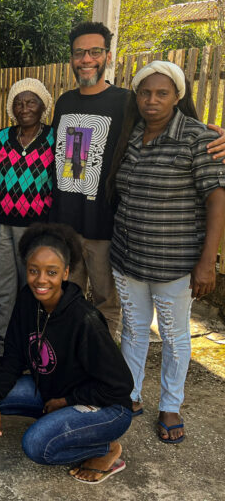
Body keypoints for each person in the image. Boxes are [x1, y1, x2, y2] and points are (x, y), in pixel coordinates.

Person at [49, 22, 225, 338]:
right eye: (79, 53)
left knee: (107, 307)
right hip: (66, 226)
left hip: (106, 227)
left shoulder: (127, 101)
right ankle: (69, 364)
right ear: (72, 58)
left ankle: (104, 372)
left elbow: (174, 122)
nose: (86, 59)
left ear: (107, 55)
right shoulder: (64, 102)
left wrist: (217, 134)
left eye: (94, 51)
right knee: (65, 301)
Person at [108, 61, 225, 444]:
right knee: (135, 330)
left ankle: (171, 404)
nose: (151, 100)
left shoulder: (196, 137)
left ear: (178, 96)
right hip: (129, 257)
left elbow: (216, 199)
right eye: (144, 92)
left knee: (175, 335)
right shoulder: (132, 134)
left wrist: (208, 263)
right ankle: (131, 394)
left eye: (161, 93)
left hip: (174, 262)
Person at [0, 223, 134, 485]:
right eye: (34, 271)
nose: (41, 280)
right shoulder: (28, 301)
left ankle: (106, 449)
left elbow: (121, 387)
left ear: (65, 273)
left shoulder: (84, 320)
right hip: (53, 390)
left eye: (51, 272)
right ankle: (62, 423)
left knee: (36, 446)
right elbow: (14, 357)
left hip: (108, 408)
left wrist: (67, 401)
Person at [0, 78, 55, 380]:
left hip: (35, 230)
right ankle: (0, 355)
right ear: (11, 109)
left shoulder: (54, 138)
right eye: (19, 103)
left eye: (31, 102)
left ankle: (32, 355)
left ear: (43, 106)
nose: (25, 108)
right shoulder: (2, 137)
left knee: (33, 292)